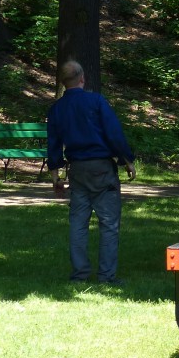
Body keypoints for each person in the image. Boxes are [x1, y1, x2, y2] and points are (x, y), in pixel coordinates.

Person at [46, 60, 136, 284]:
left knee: (78, 224)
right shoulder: (96, 101)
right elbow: (113, 133)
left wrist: (55, 173)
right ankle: (106, 276)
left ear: (63, 82)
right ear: (82, 78)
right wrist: (127, 159)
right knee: (109, 223)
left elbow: (54, 142)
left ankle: (80, 274)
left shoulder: (57, 108)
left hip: (76, 169)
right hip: (101, 167)